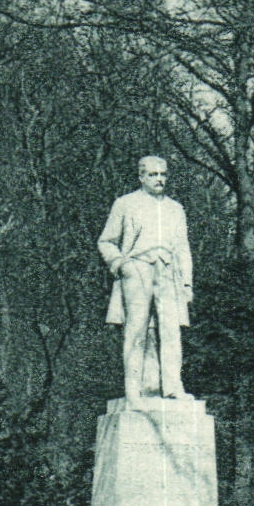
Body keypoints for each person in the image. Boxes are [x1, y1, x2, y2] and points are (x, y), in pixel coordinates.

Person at [98, 155, 194, 402]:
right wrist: (121, 264)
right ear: (141, 177)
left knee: (172, 331)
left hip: (169, 271)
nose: (159, 179)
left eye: (163, 174)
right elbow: (106, 241)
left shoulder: (176, 209)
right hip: (138, 268)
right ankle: (133, 388)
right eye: (153, 174)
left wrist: (186, 283)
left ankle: (173, 386)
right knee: (137, 329)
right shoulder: (125, 203)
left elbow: (183, 248)